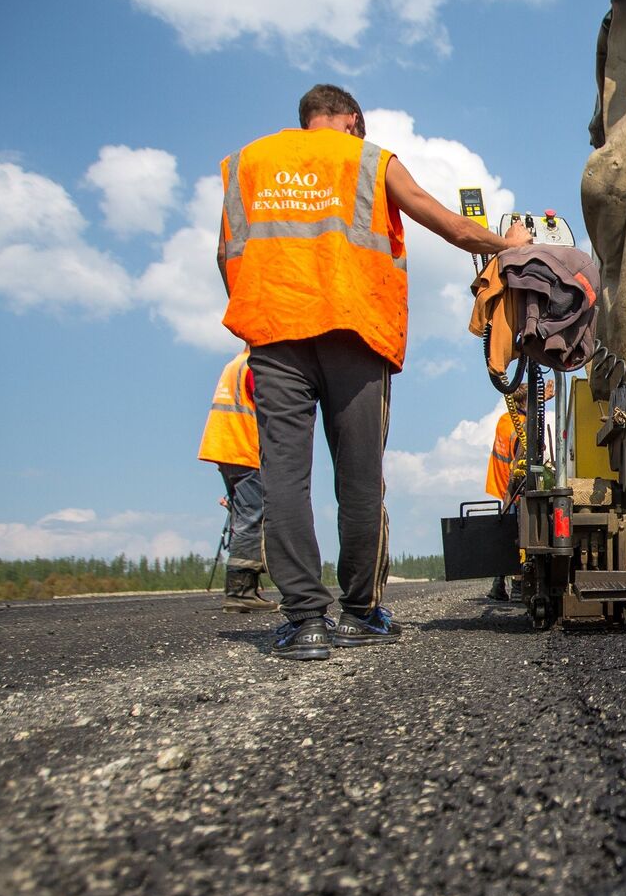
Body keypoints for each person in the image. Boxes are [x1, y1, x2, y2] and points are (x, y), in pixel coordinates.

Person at [218, 83, 530, 660]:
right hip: (355, 335)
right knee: (359, 480)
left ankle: (304, 623)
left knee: (284, 477)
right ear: (352, 120)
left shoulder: (246, 163)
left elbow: (225, 256)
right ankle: (359, 612)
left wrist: (266, 312)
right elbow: (452, 227)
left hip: (275, 334)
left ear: (307, 118)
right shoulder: (369, 159)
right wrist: (507, 244)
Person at [197, 348, 276, 613]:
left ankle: (242, 589)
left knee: (243, 515)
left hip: (225, 449)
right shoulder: (255, 366)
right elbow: (272, 410)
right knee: (252, 516)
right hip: (243, 449)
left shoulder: (235, 364)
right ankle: (241, 592)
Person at [483, 380, 552, 602]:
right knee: (521, 536)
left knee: (505, 534)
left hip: (500, 485)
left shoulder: (504, 421)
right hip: (514, 490)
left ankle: (498, 585)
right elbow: (522, 462)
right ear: (523, 402)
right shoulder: (521, 427)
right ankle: (518, 585)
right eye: (533, 399)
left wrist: (542, 400)